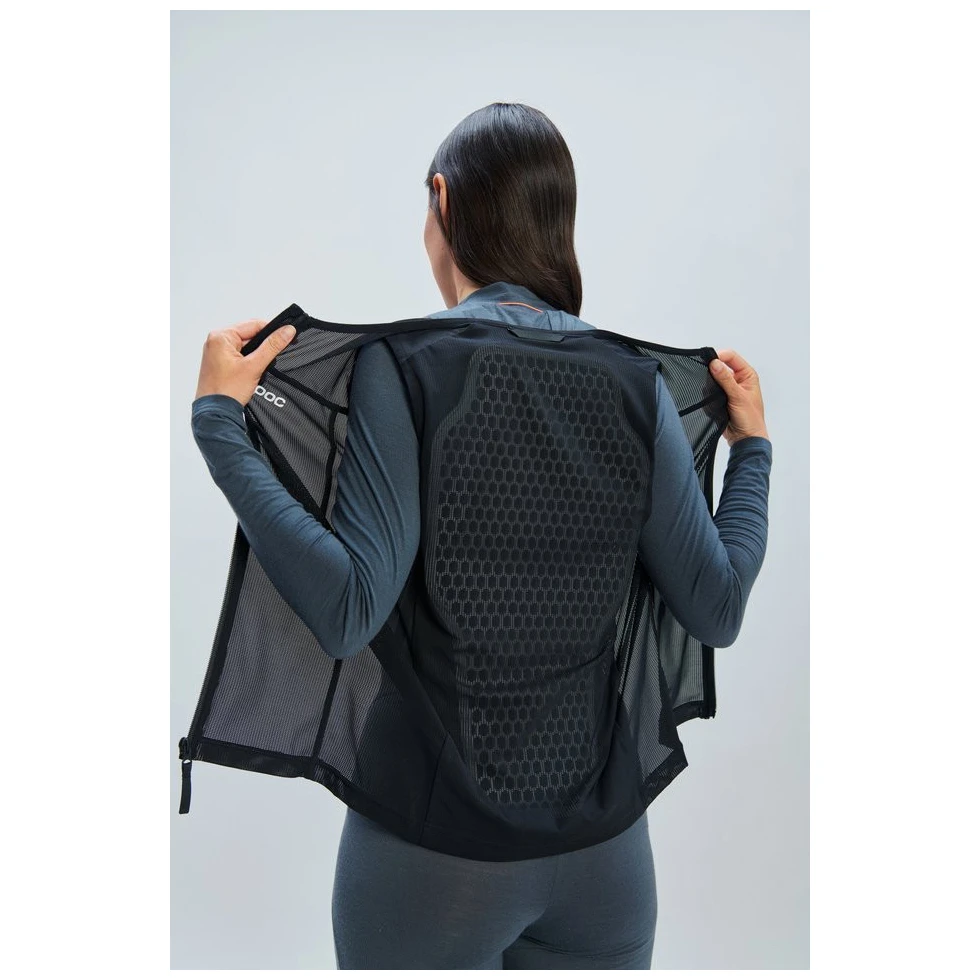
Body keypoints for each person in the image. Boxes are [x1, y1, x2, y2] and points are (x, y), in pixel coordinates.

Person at [190, 103, 772, 969]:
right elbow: (716, 608)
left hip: (434, 861)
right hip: (606, 866)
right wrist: (751, 452)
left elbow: (348, 611)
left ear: (443, 198)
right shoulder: (638, 385)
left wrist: (219, 425)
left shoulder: (405, 367)